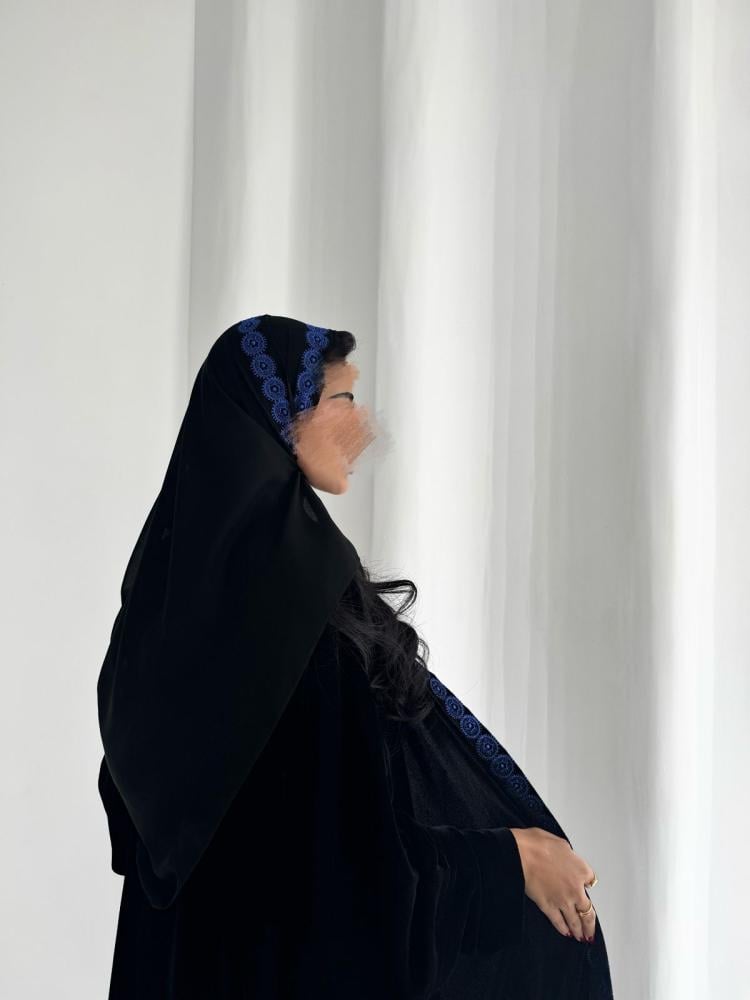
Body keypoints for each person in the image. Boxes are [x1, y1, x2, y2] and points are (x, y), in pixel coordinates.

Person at [96, 314, 615, 998]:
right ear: (276, 416)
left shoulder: (171, 601)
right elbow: (335, 875)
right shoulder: (289, 610)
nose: (362, 425)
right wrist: (508, 860)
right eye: (341, 399)